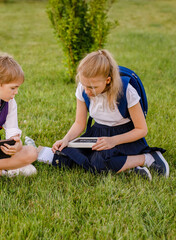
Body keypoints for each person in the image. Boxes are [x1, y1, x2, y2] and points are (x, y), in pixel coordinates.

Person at [51, 49, 169, 180]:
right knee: (65, 155)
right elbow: (79, 123)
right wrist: (66, 139)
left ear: (107, 80)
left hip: (124, 137)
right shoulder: (84, 88)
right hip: (98, 133)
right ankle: (127, 167)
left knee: (98, 162)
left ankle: (147, 158)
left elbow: (142, 130)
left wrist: (113, 141)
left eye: (93, 87)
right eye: (84, 85)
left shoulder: (126, 91)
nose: (87, 91)